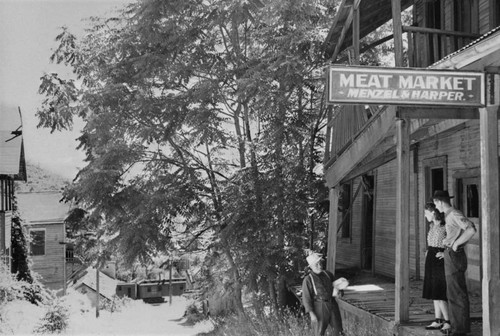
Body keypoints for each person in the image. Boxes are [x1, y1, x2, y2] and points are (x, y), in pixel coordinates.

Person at [432, 190, 477, 336]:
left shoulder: (453, 214)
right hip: (450, 253)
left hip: (454, 254)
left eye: (435, 204)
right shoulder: (448, 215)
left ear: (438, 201)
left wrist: (456, 244)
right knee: (453, 292)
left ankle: (460, 330)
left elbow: (471, 229)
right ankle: (458, 327)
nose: (435, 207)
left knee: (456, 292)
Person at [301, 252, 345, 336]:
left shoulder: (328, 274)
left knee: (339, 331)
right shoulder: (308, 279)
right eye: (316, 264)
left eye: (320, 263)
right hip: (319, 306)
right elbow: (306, 298)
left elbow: (337, 286)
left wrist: (340, 292)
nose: (319, 266)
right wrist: (311, 314)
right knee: (319, 332)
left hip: (332, 304)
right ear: (311, 267)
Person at [422, 202, 450, 333]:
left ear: (433, 212)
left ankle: (448, 321)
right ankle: (438, 320)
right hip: (431, 258)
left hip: (440, 259)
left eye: (426, 212)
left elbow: (454, 241)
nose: (424, 215)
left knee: (439, 291)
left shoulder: (446, 226)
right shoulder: (432, 225)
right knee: (434, 291)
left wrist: (446, 253)